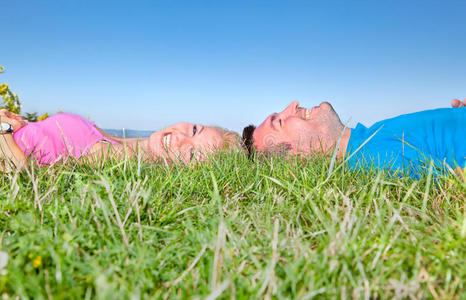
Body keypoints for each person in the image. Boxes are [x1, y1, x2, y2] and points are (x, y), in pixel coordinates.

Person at [242, 99, 466, 177]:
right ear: (296, 159)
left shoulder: (369, 139)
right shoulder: (373, 160)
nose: (293, 104)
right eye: (280, 121)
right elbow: (454, 182)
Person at [0, 110, 240, 171]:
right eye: (195, 130)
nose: (180, 138)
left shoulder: (114, 158)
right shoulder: (121, 143)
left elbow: (22, 169)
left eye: (192, 153)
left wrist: (4, 131)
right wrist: (16, 120)